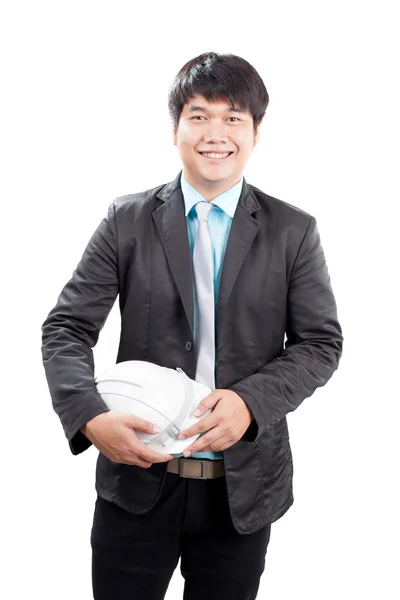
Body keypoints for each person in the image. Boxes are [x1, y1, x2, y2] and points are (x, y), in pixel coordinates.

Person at [41, 51, 343, 600]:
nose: (215, 133)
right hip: (135, 481)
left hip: (243, 491)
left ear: (256, 133)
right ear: (175, 127)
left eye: (233, 118)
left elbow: (320, 343)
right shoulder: (126, 220)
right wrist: (87, 416)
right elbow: (66, 328)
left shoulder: (293, 231)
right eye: (199, 115)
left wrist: (251, 401)